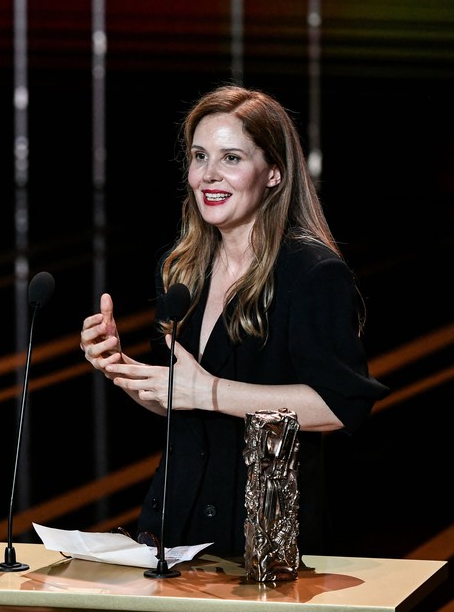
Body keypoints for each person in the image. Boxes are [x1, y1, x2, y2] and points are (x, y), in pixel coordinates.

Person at [79, 84, 389, 558]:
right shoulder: (181, 269)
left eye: (231, 158)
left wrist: (212, 392)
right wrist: (122, 370)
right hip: (172, 529)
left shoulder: (310, 273)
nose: (208, 175)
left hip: (263, 541)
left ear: (273, 174)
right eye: (200, 156)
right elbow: (179, 404)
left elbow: (340, 406)